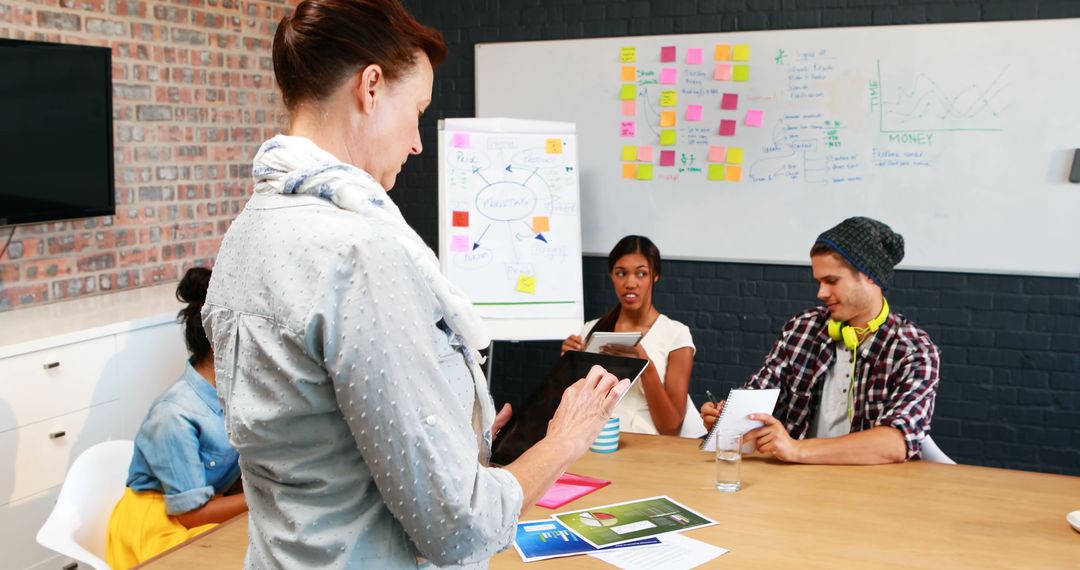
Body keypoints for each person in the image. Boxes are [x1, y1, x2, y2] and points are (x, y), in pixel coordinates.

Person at [201, 1, 629, 567]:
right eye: (419, 110)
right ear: (371, 88)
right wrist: (566, 439)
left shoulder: (245, 235)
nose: (418, 143)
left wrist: (453, 427)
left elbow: (318, 439)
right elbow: (461, 526)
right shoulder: (360, 255)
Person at [700, 217, 940, 464]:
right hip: (794, 483)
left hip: (872, 490)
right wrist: (727, 417)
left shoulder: (914, 349)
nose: (821, 293)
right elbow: (759, 394)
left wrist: (797, 449)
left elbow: (896, 443)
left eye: (832, 281)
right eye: (819, 282)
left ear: (870, 276)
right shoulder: (803, 327)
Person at [106, 267, 247, 569]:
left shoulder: (236, 398)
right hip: (159, 525)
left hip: (207, 511)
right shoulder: (174, 414)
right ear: (220, 344)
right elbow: (190, 513)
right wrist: (265, 498)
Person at [561, 235, 705, 438]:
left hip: (648, 448)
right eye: (621, 273)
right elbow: (571, 407)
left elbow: (671, 427)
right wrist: (567, 365)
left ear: (655, 276)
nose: (630, 283)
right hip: (593, 441)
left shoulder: (676, 334)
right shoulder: (591, 329)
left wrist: (645, 366)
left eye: (641, 274)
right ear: (611, 276)